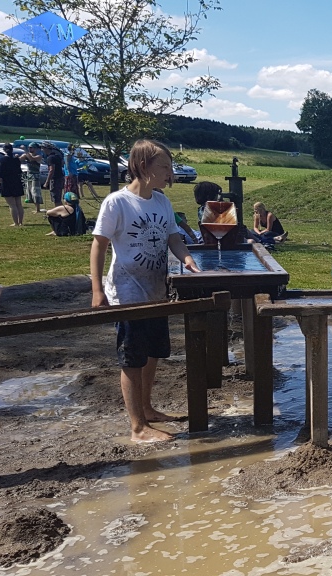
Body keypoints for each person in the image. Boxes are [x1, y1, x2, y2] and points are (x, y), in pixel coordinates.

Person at [90, 139, 201, 444]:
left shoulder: (162, 202)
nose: (170, 172)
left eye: (170, 166)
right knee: (132, 358)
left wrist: (188, 258)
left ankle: (148, 410)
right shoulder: (117, 202)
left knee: (152, 353)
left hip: (156, 292)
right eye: (164, 166)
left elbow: (173, 239)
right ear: (142, 166)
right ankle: (137, 427)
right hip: (127, 293)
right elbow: (99, 244)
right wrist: (97, 289)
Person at [0, 144, 25, 226]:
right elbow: (19, 171)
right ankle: (20, 222)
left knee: (12, 205)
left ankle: (16, 223)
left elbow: (0, 174)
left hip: (7, 183)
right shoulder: (16, 159)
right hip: (17, 182)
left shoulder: (3, 160)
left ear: (4, 150)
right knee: (19, 204)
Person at [19, 143, 43, 213]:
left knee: (35, 192)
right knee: (30, 192)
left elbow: (32, 159)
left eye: (31, 147)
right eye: (29, 147)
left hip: (35, 176)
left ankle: (38, 209)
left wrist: (25, 151)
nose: (29, 149)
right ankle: (36, 208)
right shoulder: (26, 155)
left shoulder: (39, 156)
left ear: (35, 149)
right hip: (29, 175)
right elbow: (20, 159)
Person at [43, 143, 65, 207]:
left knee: (56, 199)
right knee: (58, 197)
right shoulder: (57, 156)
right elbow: (62, 164)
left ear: (46, 149)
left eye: (43, 148)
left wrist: (46, 182)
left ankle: (60, 213)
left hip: (55, 179)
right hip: (60, 177)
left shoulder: (50, 158)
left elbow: (51, 170)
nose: (42, 150)